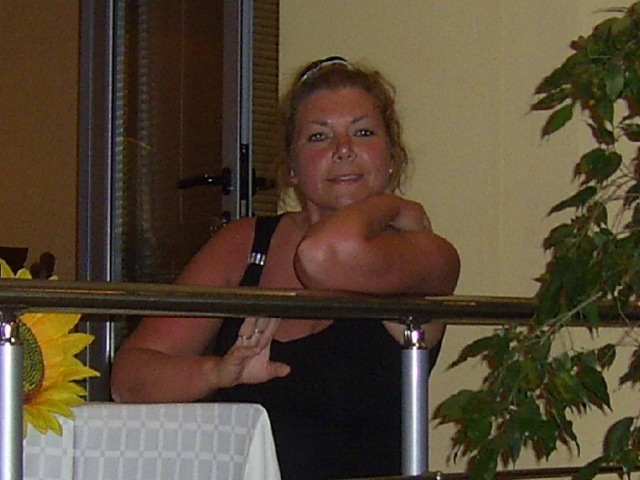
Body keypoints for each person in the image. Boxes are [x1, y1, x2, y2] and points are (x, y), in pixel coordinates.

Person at [111, 56, 461, 479]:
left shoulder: (425, 254)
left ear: (391, 156)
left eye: (363, 132)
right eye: (319, 136)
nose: (343, 149)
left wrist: (390, 205)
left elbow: (323, 256)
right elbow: (129, 379)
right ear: (292, 168)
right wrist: (218, 371)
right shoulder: (245, 243)